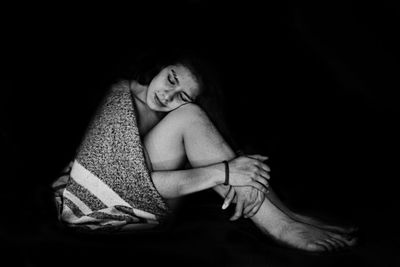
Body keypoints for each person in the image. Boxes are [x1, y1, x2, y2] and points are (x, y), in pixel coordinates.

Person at [52, 48, 357, 252]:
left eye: (183, 95)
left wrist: (235, 170)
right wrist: (223, 172)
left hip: (141, 211)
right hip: (97, 211)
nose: (168, 94)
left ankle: (286, 216)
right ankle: (279, 226)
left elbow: (132, 174)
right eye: (171, 79)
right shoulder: (121, 95)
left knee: (213, 140)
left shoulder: (170, 118)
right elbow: (120, 181)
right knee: (196, 125)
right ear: (160, 68)